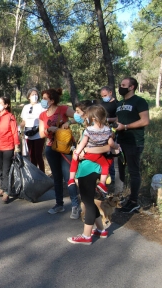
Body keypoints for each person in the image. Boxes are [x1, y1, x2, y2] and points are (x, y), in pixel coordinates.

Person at [67, 100, 111, 245]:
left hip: (88, 168)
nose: (78, 116)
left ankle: (86, 236)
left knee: (88, 202)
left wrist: (83, 152)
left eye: (80, 113)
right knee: (89, 200)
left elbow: (107, 148)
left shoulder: (90, 131)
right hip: (92, 166)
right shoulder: (105, 129)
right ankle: (101, 229)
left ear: (90, 116)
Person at [38, 88, 80, 219]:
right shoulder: (43, 115)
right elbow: (40, 134)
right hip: (51, 147)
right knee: (56, 177)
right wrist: (49, 129)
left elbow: (81, 117)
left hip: (65, 148)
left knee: (69, 177)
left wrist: (68, 122)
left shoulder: (63, 109)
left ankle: (75, 206)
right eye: (43, 98)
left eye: (45, 98)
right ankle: (59, 204)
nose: (43, 101)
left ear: (52, 100)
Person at [114, 77, 150, 213]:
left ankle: (133, 201)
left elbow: (145, 121)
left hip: (134, 142)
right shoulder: (120, 104)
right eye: (120, 85)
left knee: (134, 172)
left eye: (123, 85)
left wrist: (126, 127)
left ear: (132, 87)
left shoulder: (140, 101)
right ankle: (119, 197)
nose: (120, 87)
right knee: (119, 170)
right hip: (120, 142)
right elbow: (119, 120)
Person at [68, 105, 119, 195]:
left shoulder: (88, 130)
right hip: (98, 155)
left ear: (93, 118)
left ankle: (71, 179)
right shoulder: (108, 130)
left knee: (74, 160)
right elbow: (110, 143)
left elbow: (83, 142)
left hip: (88, 154)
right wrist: (116, 146)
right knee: (105, 166)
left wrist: (77, 152)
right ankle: (102, 184)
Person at [20, 88, 46, 172]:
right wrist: (19, 128)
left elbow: (45, 119)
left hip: (39, 133)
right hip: (28, 134)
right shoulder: (26, 107)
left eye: (36, 94)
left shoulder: (41, 106)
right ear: (28, 97)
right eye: (32, 95)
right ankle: (34, 173)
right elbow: (24, 121)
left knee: (38, 155)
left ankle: (42, 173)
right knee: (31, 155)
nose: (35, 96)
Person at [100, 86, 118, 182]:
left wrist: (108, 120)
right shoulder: (102, 104)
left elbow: (118, 118)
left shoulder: (117, 104)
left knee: (112, 156)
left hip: (113, 131)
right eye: (102, 96)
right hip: (102, 131)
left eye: (105, 95)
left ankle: (113, 178)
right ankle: (105, 177)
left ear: (110, 92)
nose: (104, 97)